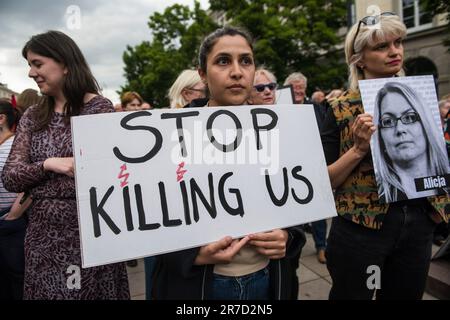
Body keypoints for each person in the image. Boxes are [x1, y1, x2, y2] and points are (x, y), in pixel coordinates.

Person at [152, 26, 305, 300]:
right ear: (202, 73)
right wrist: (193, 254)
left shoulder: (282, 130)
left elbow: (300, 200)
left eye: (245, 61)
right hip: (202, 287)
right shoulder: (170, 135)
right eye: (223, 61)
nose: (237, 71)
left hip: (268, 280)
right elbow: (148, 217)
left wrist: (288, 237)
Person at [321, 12, 449, 300]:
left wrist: (433, 212)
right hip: (362, 232)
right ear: (359, 59)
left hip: (417, 227)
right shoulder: (341, 108)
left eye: (398, 42)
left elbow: (435, 159)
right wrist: (357, 150)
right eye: (381, 47)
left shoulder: (420, 97)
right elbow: (323, 179)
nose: (395, 52)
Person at [1, 30, 129, 299]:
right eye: (28, 65)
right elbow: (11, 177)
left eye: (37, 64)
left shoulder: (98, 110)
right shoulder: (34, 116)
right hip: (42, 239)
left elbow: (110, 173)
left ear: (65, 63)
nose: (31, 73)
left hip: (89, 237)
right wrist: (48, 164)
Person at [372, 82, 449, 202]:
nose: (400, 129)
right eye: (387, 121)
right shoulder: (373, 195)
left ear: (426, 124)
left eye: (409, 117)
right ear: (380, 137)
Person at [0, 99, 31, 300]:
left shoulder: (16, 145)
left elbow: (32, 182)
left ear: (1, 118)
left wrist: (13, 214)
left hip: (10, 225)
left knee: (16, 282)